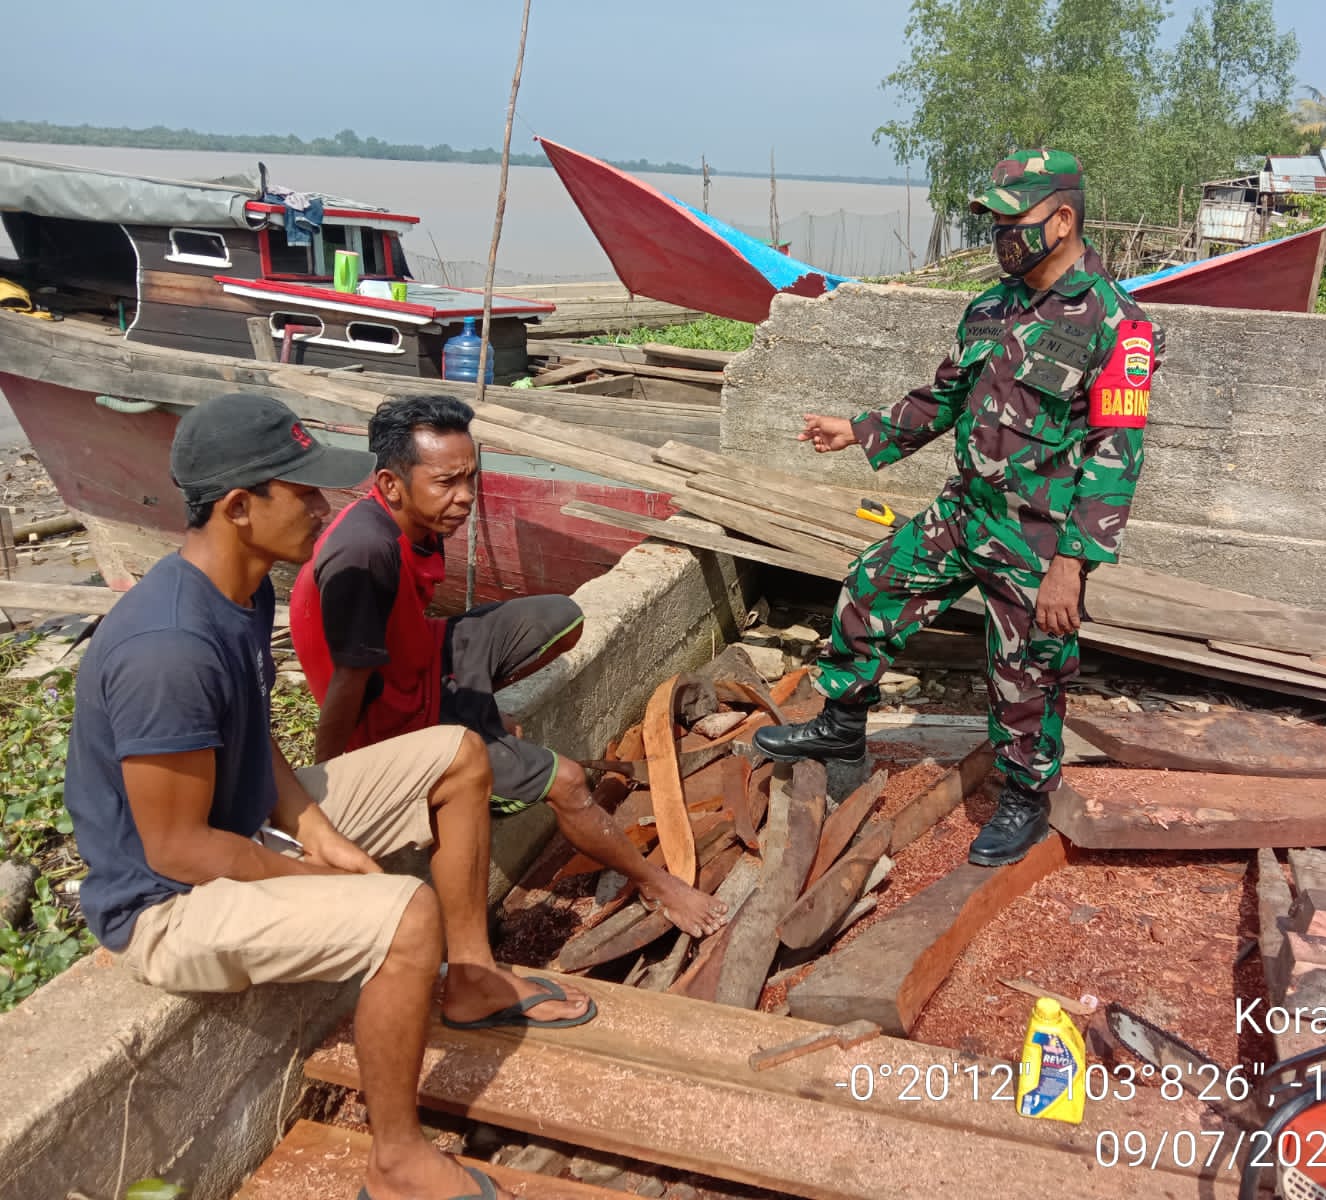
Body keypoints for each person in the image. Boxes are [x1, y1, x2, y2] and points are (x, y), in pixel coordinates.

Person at [63, 392, 583, 1200]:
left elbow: (254, 739)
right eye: (300, 491)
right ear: (239, 507)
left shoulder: (242, 589)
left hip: (235, 830)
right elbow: (176, 848)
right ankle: (397, 1160)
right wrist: (332, 881)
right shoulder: (168, 648)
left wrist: (312, 824)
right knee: (404, 913)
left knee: (458, 754)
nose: (321, 506)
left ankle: (473, 978)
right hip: (165, 904)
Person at [754, 149, 1163, 868]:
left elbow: (1115, 454)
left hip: (1039, 541)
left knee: (1025, 674)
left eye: (1012, 220)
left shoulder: (1115, 323)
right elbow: (942, 396)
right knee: (870, 585)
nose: (999, 235)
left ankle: (1025, 801)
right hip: (965, 511)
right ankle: (842, 721)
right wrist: (859, 429)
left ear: (1061, 220)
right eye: (993, 221)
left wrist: (1074, 564)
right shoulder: (992, 306)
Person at [289, 395, 727, 937]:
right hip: (394, 722)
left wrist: (473, 699)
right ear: (389, 485)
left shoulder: (412, 524)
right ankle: (658, 886)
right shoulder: (364, 556)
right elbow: (346, 688)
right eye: (447, 482)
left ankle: (476, 717)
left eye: (471, 477)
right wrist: (332, 786)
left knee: (561, 618)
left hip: (423, 661)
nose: (466, 497)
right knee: (566, 781)